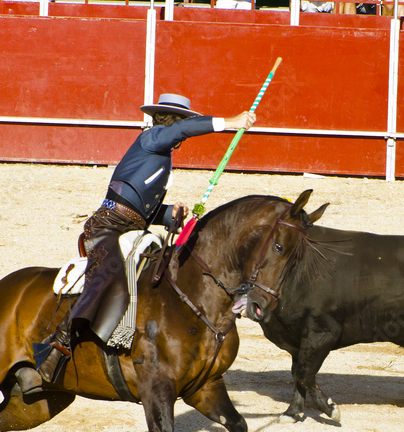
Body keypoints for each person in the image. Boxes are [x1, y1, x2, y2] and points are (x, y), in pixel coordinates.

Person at [16, 94, 256, 395]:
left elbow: (142, 208)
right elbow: (180, 133)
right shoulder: (152, 137)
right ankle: (57, 344)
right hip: (107, 228)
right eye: (182, 122)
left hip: (132, 228)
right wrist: (231, 122)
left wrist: (171, 214)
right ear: (173, 121)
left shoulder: (161, 154)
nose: (183, 130)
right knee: (107, 273)